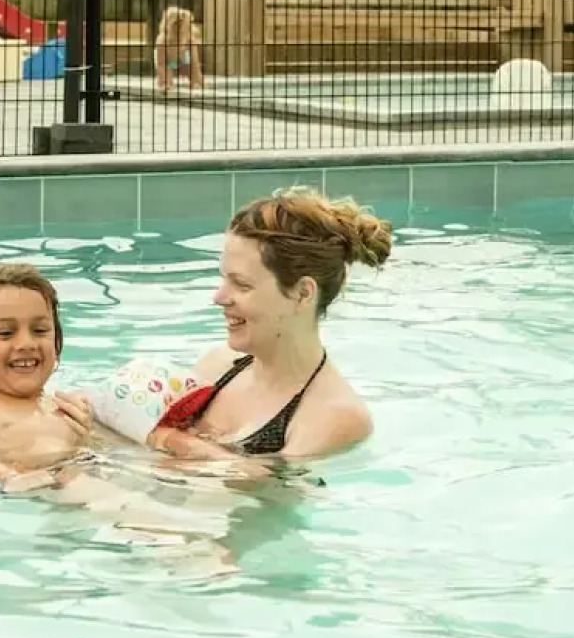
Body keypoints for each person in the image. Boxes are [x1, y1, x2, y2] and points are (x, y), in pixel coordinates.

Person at [148, 186, 392, 463]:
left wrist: (171, 440)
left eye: (241, 284)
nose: (219, 297)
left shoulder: (335, 416)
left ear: (303, 294)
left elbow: (267, 496)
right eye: (224, 279)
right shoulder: (218, 367)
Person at [0, 262, 97, 481]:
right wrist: (7, 475)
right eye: (5, 333)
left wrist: (89, 436)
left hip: (85, 473)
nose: (26, 343)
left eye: (40, 330)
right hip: (43, 485)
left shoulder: (69, 407)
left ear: (57, 343)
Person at [154, 5, 204, 93]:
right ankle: (166, 83)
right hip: (168, 60)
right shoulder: (162, 40)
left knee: (192, 66)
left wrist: (196, 80)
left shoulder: (189, 37)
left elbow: (194, 63)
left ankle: (196, 82)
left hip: (183, 58)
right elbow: (161, 64)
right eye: (176, 23)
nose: (178, 26)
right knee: (164, 72)